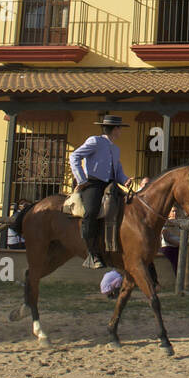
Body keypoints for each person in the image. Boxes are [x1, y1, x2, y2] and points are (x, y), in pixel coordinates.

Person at [69, 114, 132, 268]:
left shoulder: (116, 149)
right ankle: (92, 253)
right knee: (91, 212)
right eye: (120, 128)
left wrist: (125, 180)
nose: (120, 132)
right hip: (93, 184)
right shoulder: (95, 141)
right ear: (115, 129)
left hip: (110, 185)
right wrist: (82, 179)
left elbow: (117, 170)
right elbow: (74, 156)